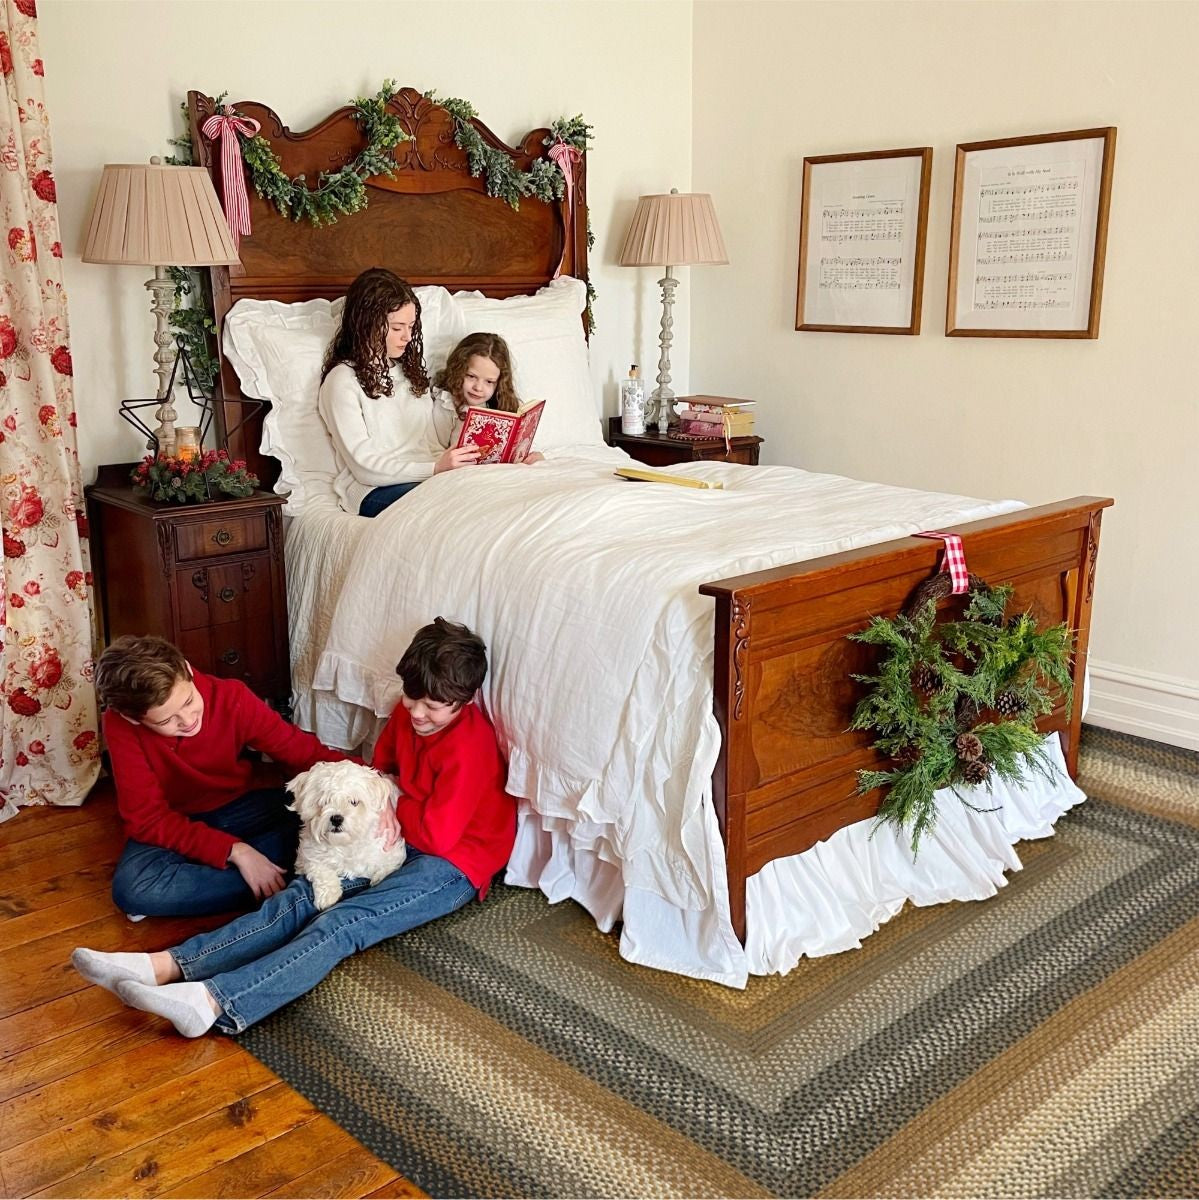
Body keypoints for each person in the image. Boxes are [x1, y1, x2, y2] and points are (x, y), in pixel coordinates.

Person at [71, 618, 517, 1038]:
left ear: (464, 699)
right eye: (411, 699)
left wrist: (392, 800)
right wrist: (381, 794)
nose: (418, 713)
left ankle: (212, 1002)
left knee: (343, 922)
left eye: (433, 706)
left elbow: (431, 830)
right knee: (302, 895)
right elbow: (380, 770)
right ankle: (163, 967)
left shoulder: (468, 745)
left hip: (453, 861)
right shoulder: (409, 714)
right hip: (397, 834)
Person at [95, 635, 349, 919]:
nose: (188, 720)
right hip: (174, 821)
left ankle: (226, 881)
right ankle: (290, 870)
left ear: (188, 670)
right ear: (132, 718)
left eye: (189, 701)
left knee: (320, 814)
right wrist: (236, 852)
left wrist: (377, 779)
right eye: (167, 721)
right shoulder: (120, 726)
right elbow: (147, 819)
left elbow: (303, 754)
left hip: (240, 806)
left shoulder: (230, 696)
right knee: (133, 890)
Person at [318, 268, 479, 518]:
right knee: (454, 511)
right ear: (366, 325)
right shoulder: (342, 381)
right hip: (374, 489)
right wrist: (434, 468)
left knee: (491, 496)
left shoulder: (409, 371)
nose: (407, 336)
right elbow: (364, 467)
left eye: (411, 326)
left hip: (434, 477)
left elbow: (434, 439)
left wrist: (466, 415)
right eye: (397, 328)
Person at [432, 331, 544, 463]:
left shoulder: (503, 404)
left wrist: (531, 456)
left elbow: (520, 442)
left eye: (489, 382)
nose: (478, 388)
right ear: (458, 370)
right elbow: (436, 449)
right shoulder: (447, 403)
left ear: (499, 383)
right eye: (471, 376)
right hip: (462, 470)